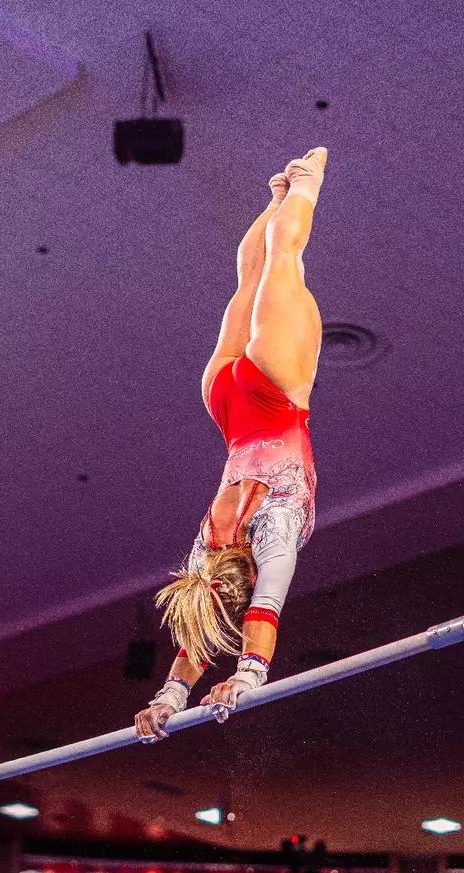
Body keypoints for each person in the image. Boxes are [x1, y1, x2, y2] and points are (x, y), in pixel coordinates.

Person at [134, 148, 328, 743]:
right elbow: (204, 624)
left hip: (273, 397)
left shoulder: (275, 534)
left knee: (281, 264)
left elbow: (264, 607)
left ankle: (306, 181)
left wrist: (248, 677)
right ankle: (276, 200)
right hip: (227, 405)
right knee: (254, 276)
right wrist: (169, 697)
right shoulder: (207, 554)